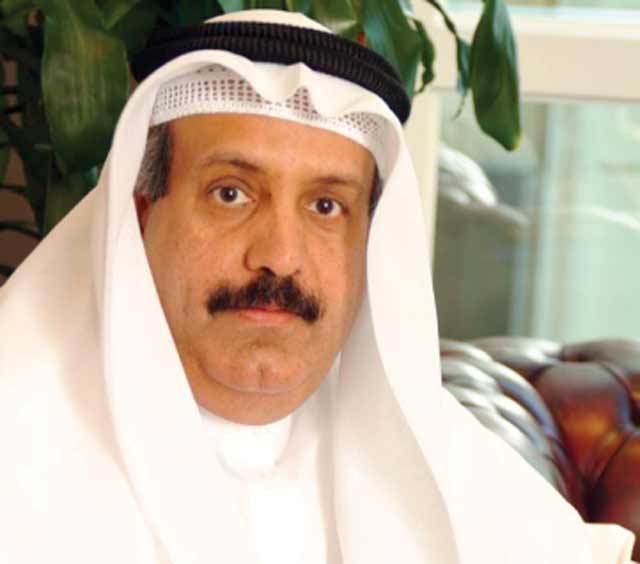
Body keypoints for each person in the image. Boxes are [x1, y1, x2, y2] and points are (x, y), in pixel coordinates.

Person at [0, 9, 635, 564]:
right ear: (141, 215)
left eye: (326, 207)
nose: (280, 258)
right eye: (231, 194)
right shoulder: (18, 445)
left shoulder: (445, 466)